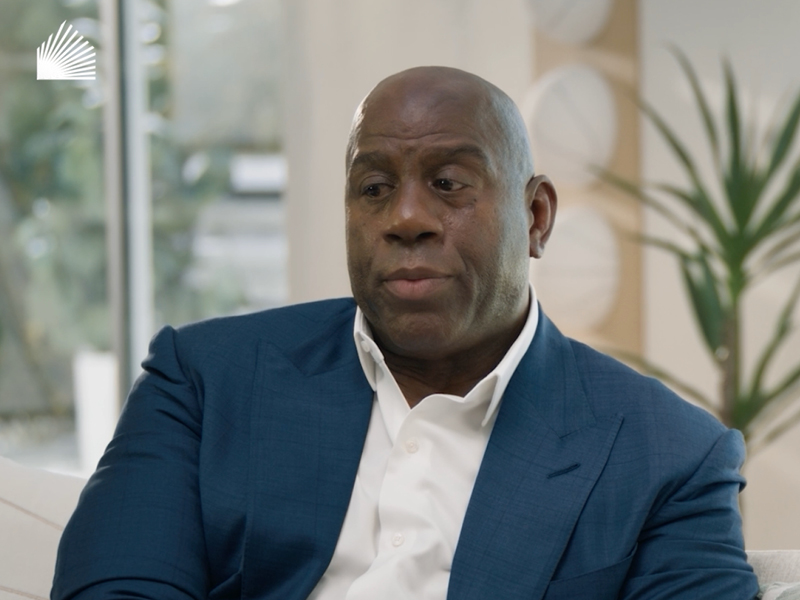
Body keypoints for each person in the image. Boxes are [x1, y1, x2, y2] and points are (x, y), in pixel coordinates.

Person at [52, 66, 759, 600]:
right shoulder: (205, 382)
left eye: (449, 183)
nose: (406, 218)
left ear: (536, 218)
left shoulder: (668, 455)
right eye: (374, 188)